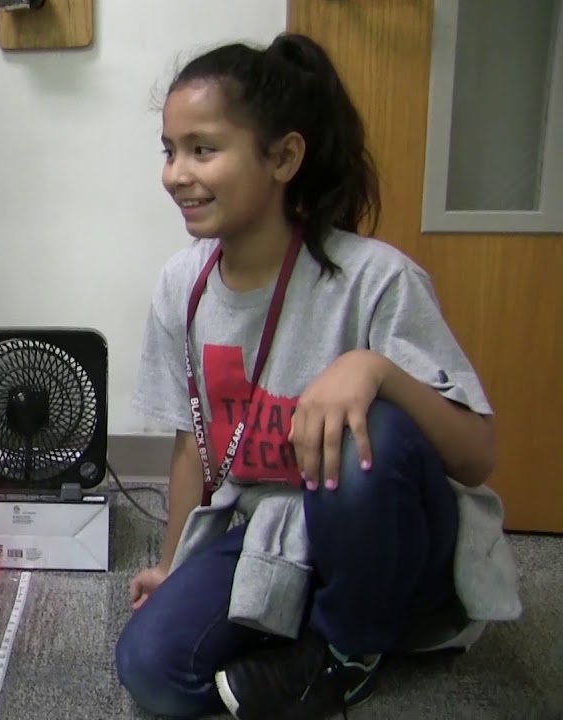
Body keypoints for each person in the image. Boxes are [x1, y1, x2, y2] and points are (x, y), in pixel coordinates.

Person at [113, 33, 522, 720]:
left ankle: (348, 651)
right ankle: (320, 630)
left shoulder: (376, 278)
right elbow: (193, 446)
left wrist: (375, 370)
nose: (176, 174)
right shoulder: (183, 285)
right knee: (153, 673)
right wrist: (175, 564)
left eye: (203, 149)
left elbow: (477, 458)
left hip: (387, 531)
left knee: (368, 437)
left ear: (283, 157)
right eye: (169, 149)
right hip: (265, 529)